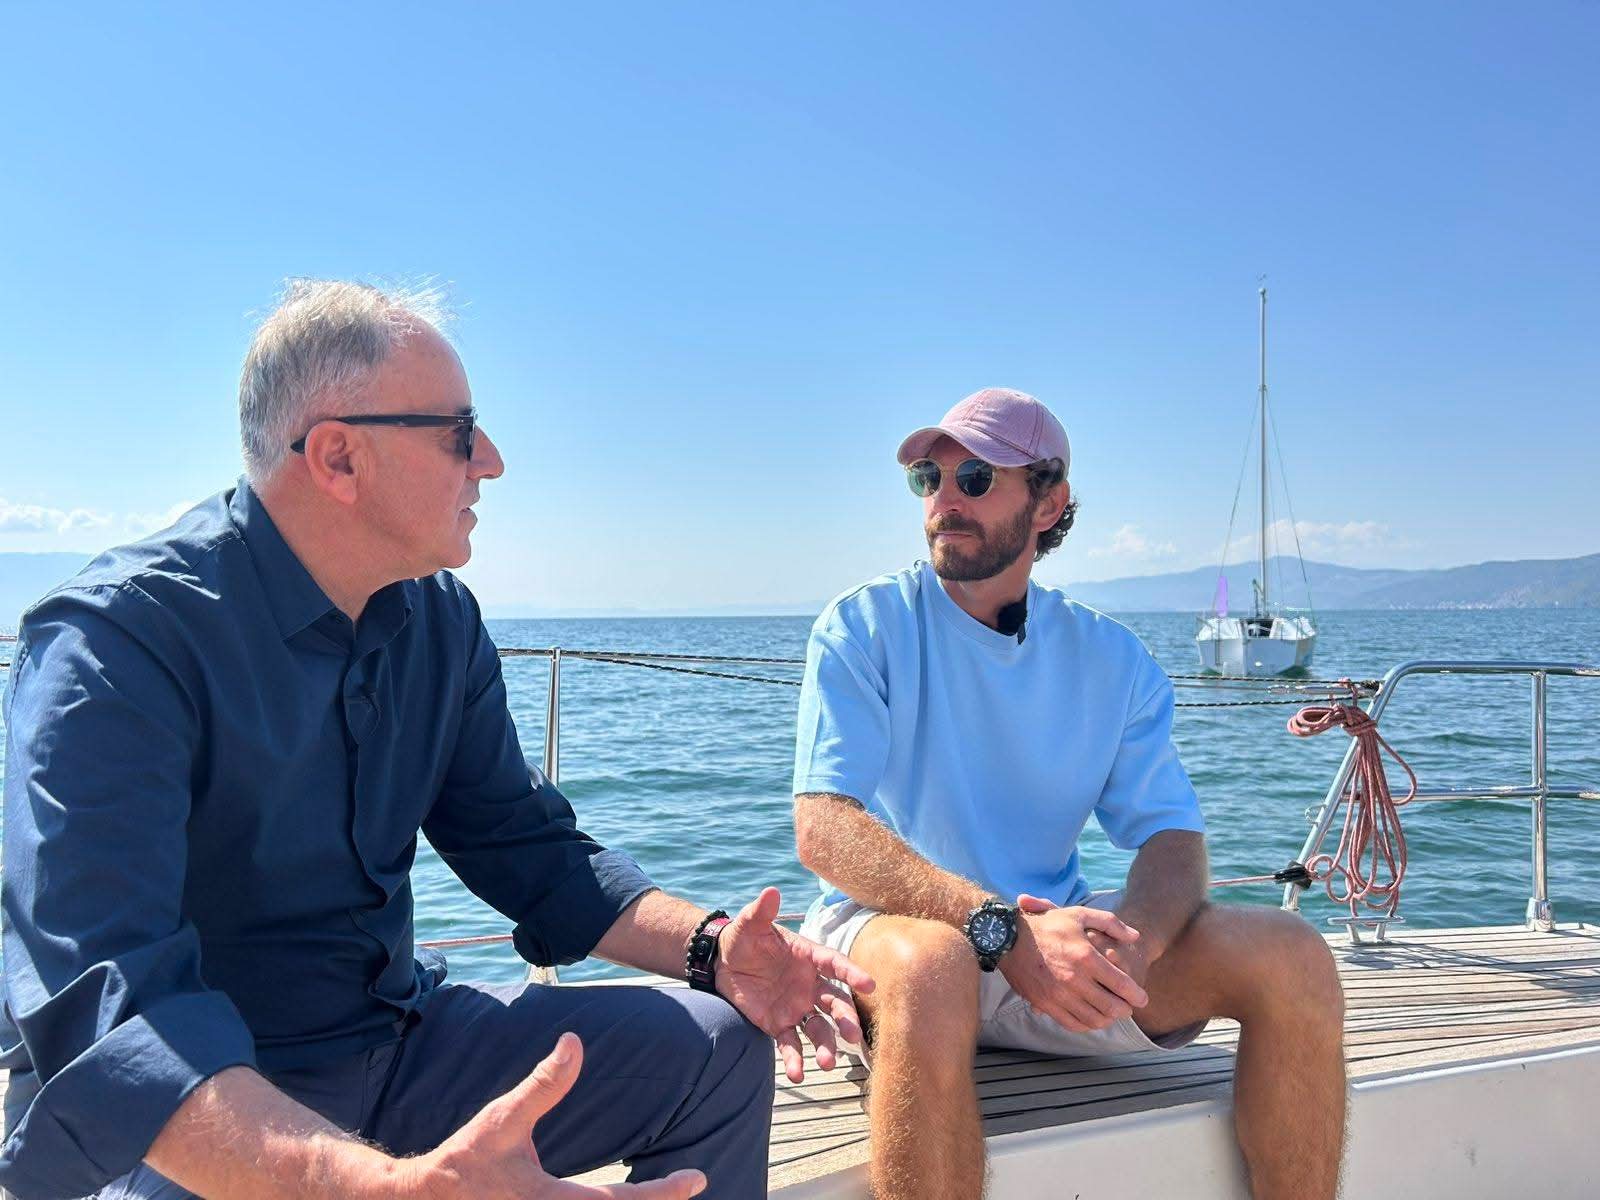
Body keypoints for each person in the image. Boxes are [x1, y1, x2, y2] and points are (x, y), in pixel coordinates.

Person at [0, 280, 871, 1200]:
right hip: (210, 1104)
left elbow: (528, 852)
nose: (490, 461)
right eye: (460, 432)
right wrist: (377, 1187)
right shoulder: (117, 645)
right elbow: (116, 1014)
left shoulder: (440, 623)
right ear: (339, 457)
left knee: (717, 1049)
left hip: (395, 1041)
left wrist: (712, 948)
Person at [791, 388, 1346, 1199]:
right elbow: (824, 828)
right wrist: (1001, 929)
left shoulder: (1111, 659)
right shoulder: (865, 625)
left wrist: (1137, 946)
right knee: (936, 967)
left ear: (1048, 503)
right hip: (897, 935)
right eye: (928, 479)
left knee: (1292, 956)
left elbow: (1172, 838)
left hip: (1049, 955)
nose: (944, 499)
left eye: (975, 478)